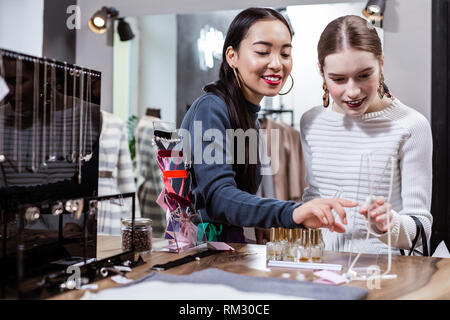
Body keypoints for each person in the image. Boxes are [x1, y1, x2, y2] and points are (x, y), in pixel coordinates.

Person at [179, 7, 356, 243]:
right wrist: (291, 212)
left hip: (229, 249)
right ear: (232, 56)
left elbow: (237, 197)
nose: (276, 64)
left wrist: (258, 220)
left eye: (285, 54)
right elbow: (217, 197)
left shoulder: (248, 115)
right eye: (262, 52)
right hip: (200, 253)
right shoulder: (211, 109)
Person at [300, 15, 432, 254]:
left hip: (389, 277)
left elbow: (421, 228)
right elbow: (314, 195)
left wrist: (387, 226)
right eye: (338, 79)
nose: (353, 91)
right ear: (321, 71)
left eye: (364, 75)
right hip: (325, 273)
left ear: (381, 63)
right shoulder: (311, 122)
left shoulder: (411, 126)